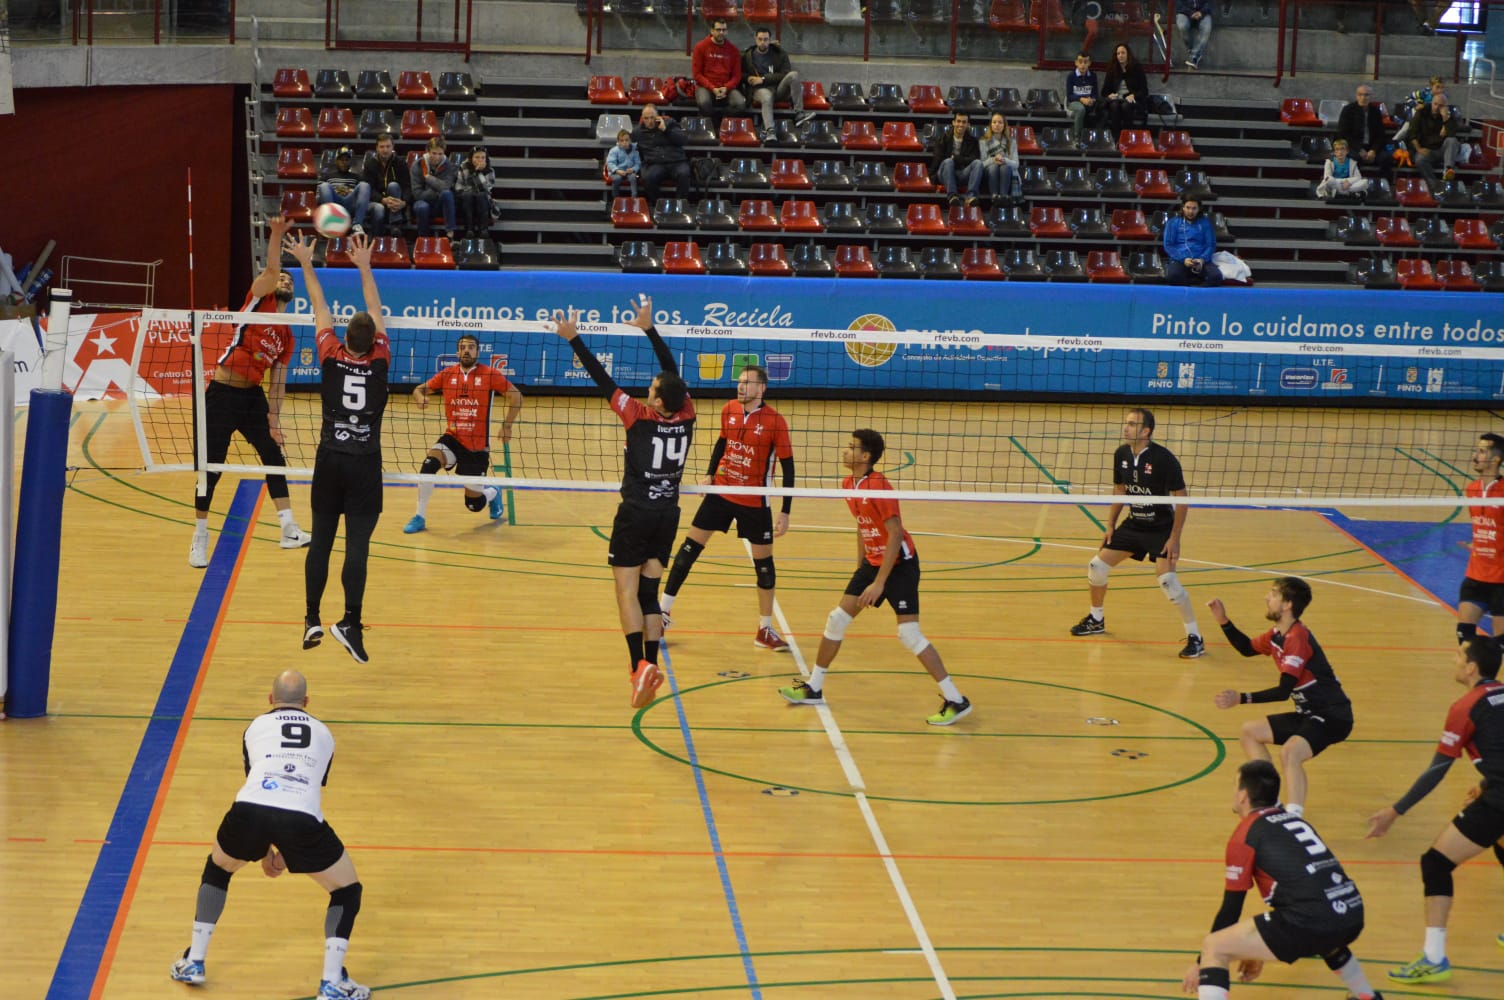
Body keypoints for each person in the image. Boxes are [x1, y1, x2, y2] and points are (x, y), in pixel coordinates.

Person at [168, 670, 371, 1000]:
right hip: (301, 817)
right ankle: (332, 982)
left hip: (249, 809)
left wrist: (264, 853)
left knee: (218, 869)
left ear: (270, 699)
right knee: (347, 891)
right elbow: (298, 796)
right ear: (307, 701)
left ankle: (194, 961)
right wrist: (284, 854)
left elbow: (264, 793)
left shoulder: (255, 726)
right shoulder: (324, 734)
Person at [549, 296, 694, 710]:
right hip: (667, 515)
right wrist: (650, 329)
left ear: (659, 402)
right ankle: (650, 665)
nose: (648, 390)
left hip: (635, 514)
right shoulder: (687, 414)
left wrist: (574, 339)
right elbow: (672, 374)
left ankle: (636, 667)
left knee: (625, 591)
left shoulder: (637, 415)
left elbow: (602, 379)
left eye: (652, 390)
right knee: (649, 593)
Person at [779, 429, 973, 727]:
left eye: (851, 447)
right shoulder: (848, 484)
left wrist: (879, 583)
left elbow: (894, 534)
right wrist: (860, 569)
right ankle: (814, 688)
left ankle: (956, 699)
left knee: (909, 634)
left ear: (865, 456)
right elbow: (862, 525)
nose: (845, 451)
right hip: (872, 563)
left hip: (900, 564)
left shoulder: (880, 486)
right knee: (836, 620)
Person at [1181, 760, 1383, 1000]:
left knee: (1214, 946)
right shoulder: (1294, 821)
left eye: (1235, 785)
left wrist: (1201, 964)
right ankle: (1367, 996)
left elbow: (1230, 910)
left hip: (1313, 919)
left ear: (1243, 796)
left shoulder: (1245, 835)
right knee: (1327, 936)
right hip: (1351, 912)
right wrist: (1255, 949)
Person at [1367, 636, 1504, 986]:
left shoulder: (1465, 707)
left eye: (1459, 655)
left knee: (1436, 863)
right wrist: (1487, 783)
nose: (1453, 659)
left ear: (1472, 668)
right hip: (1497, 792)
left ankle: (1433, 958)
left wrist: (1395, 811)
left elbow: (1437, 770)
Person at [283, 231, 391, 665]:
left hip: (329, 460)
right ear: (374, 339)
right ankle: (350, 622)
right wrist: (365, 265)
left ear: (345, 336)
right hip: (364, 465)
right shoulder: (380, 360)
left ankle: (311, 618)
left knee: (321, 543)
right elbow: (375, 308)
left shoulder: (329, 353)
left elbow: (319, 304)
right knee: (357, 548)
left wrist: (307, 262)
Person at [190, 212, 312, 569]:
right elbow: (272, 271)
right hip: (222, 394)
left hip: (252, 399)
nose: (284, 280)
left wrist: (274, 421)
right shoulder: (259, 302)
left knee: (274, 455)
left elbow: (279, 382)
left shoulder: (287, 334)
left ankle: (288, 528)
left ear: (294, 292)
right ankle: (200, 535)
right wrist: (275, 235)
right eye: (282, 277)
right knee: (210, 468)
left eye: (290, 279)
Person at [660, 363, 795, 650]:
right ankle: (662, 614)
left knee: (764, 567)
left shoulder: (776, 421)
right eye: (740, 381)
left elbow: (788, 467)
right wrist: (710, 474)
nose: (740, 386)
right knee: (687, 551)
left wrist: (785, 511)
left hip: (755, 500)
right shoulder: (729, 409)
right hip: (721, 491)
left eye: (747, 382)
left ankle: (764, 630)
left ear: (762, 388)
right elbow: (722, 443)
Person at [1206, 578, 1354, 816]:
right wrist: (1223, 620)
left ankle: (1294, 817)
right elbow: (1247, 648)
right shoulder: (1277, 634)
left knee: (1290, 752)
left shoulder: (1297, 638)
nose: (1267, 597)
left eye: (1274, 594)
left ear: (1287, 605)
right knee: (1249, 732)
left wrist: (1241, 698)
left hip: (1332, 715)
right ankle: (1268, 802)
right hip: (1308, 713)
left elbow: (1284, 690)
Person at [1069, 407, 1205, 658]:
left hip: (1161, 528)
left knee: (1168, 581)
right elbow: (1120, 489)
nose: (1126, 427)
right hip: (1134, 524)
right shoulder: (1121, 453)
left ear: (1145, 431)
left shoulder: (1164, 459)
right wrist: (1110, 525)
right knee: (1097, 566)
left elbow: (1182, 499)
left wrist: (1174, 538)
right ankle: (1096, 619)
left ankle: (1195, 637)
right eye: (1127, 423)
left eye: (1132, 424)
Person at [403, 334, 522, 534]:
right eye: (463, 347)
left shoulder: (489, 374)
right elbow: (418, 389)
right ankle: (419, 516)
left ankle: (493, 492)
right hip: (452, 439)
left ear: (478, 351)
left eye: (471, 347)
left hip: (476, 447)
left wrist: (507, 425)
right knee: (429, 465)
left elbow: (516, 396)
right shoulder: (447, 374)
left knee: (474, 505)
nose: (466, 350)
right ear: (458, 352)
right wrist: (419, 397)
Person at [1456, 433, 1504, 645]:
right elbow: (1481, 524)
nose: (1475, 456)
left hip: (1501, 580)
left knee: (1501, 644)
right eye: (1477, 450)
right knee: (1464, 636)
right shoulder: (1472, 489)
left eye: (1482, 452)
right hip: (1475, 576)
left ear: (1496, 459)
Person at [741, 27, 815, 143]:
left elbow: (785, 74)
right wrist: (748, 78)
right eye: (760, 39)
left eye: (765, 39)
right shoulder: (748, 55)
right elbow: (741, 74)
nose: (763, 42)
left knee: (794, 75)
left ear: (770, 40)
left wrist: (763, 79)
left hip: (778, 88)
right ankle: (770, 131)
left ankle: (799, 113)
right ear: (755, 39)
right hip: (758, 90)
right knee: (767, 96)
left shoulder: (780, 54)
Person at [633, 104, 693, 204]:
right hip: (655, 163)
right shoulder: (637, 132)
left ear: (658, 116)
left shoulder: (670, 123)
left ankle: (680, 205)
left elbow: (683, 140)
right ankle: (658, 204)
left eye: (652, 117)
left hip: (676, 161)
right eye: (646, 118)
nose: (649, 121)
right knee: (648, 178)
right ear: (642, 118)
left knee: (684, 173)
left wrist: (666, 130)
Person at [1336, 83, 1394, 182]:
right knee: (1354, 158)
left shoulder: (1375, 111)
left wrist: (1373, 150)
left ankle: (1383, 185)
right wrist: (1359, 149)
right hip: (1353, 146)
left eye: (1366, 95)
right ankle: (1353, 185)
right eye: (1360, 95)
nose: (1363, 97)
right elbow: (1343, 134)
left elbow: (1380, 135)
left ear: (1370, 97)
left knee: (1386, 158)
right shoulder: (1348, 110)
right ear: (1356, 96)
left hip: (1371, 146)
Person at [692, 19, 746, 123]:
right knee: (704, 103)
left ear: (727, 31)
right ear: (712, 31)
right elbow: (697, 74)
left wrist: (726, 87)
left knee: (740, 104)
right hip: (705, 87)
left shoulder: (733, 50)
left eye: (724, 30)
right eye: (718, 30)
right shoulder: (700, 47)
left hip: (726, 88)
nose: (721, 32)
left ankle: (721, 120)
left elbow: (737, 76)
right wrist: (712, 88)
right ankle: (715, 124)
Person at [1163, 194, 1222, 287]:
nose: (1190, 211)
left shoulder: (1205, 223)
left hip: (1201, 260)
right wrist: (1183, 259)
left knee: (1216, 276)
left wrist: (1202, 259)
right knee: (1172, 276)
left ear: (1199, 209)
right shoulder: (1173, 223)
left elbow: (1211, 245)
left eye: (1194, 208)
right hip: (1180, 260)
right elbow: (1169, 245)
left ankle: (1199, 291)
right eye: (1188, 208)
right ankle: (1188, 290)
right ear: (1183, 207)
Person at [361, 132, 410, 237]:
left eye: (388, 146)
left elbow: (407, 186)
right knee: (379, 209)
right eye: (382, 147)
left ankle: (395, 225)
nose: (385, 150)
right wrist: (382, 199)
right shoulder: (370, 164)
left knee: (393, 185)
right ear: (377, 148)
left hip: (397, 204)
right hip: (379, 202)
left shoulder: (400, 163)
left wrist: (404, 202)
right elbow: (368, 189)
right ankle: (376, 238)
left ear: (393, 147)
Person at [1409, 90, 1460, 190]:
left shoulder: (1449, 115)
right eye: (1435, 104)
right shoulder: (1422, 113)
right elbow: (1412, 133)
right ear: (1431, 103)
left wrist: (1445, 118)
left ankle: (1448, 171)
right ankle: (1434, 186)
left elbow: (1452, 134)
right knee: (1419, 159)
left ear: (1445, 106)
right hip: (1427, 149)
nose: (1436, 107)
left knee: (1452, 140)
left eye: (1440, 106)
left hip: (1443, 150)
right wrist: (1419, 149)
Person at [931, 111, 983, 207]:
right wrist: (956, 160)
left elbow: (973, 159)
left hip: (962, 173)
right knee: (948, 161)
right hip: (944, 173)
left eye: (964, 122)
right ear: (953, 122)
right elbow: (939, 159)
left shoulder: (973, 141)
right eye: (958, 121)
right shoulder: (942, 139)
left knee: (978, 163)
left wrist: (956, 158)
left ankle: (971, 197)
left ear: (968, 124)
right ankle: (952, 196)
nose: (961, 125)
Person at [315, 146, 370, 235]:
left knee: (364, 185)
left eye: (347, 160)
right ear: (336, 161)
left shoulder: (357, 177)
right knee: (324, 186)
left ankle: (357, 225)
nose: (344, 163)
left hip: (350, 204)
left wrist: (351, 192)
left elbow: (363, 197)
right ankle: (332, 222)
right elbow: (318, 198)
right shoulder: (327, 176)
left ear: (350, 162)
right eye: (341, 160)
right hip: (334, 204)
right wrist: (334, 192)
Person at [410, 135, 456, 239]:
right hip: (422, 201)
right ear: (427, 151)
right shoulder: (417, 165)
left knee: (447, 194)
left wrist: (429, 178)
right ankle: (423, 239)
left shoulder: (448, 166)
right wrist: (436, 191)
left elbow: (446, 187)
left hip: (440, 204)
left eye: (440, 154)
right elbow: (417, 194)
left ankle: (450, 234)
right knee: (422, 207)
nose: (437, 157)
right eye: (434, 153)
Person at [1102, 43, 1149, 135]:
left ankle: (1127, 135)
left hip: (1133, 100)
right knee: (1114, 106)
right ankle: (1116, 136)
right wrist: (1110, 95)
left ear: (1128, 54)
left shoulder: (1137, 68)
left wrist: (1134, 95)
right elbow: (1104, 92)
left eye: (1123, 53)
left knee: (1125, 106)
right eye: (1118, 53)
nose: (1120, 55)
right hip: (1117, 99)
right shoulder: (1112, 69)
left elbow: (1144, 91)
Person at [453, 145, 495, 238]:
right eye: (477, 157)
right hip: (466, 200)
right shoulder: (464, 167)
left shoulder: (490, 170)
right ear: (471, 158)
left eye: (483, 157)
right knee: (468, 195)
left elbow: (486, 189)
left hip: (482, 200)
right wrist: (474, 173)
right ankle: (469, 230)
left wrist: (479, 172)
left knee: (481, 195)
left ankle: (483, 230)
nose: (480, 160)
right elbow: (458, 187)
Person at [980, 112, 1021, 207]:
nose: (997, 125)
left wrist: (1004, 160)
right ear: (990, 125)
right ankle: (994, 197)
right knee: (993, 167)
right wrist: (993, 160)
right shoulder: (983, 141)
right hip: (988, 173)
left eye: (1000, 122)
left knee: (1005, 167)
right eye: (994, 122)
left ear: (1004, 125)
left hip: (1006, 171)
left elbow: (1016, 164)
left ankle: (1003, 197)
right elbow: (981, 164)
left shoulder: (1011, 142)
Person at [1064, 51, 1100, 145]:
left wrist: (1092, 100)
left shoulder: (1093, 76)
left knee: (1102, 110)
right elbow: (1070, 96)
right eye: (1080, 62)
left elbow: (1095, 94)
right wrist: (1081, 99)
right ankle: (1077, 138)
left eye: (1085, 62)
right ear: (1076, 63)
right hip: (1074, 102)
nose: (1083, 65)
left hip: (1088, 102)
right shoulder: (1071, 76)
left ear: (1089, 63)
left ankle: (1095, 138)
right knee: (1080, 109)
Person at [1176, 0, 1214, 70]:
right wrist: (1190, 13)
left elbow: (1210, 3)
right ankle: (1193, 52)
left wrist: (1201, 12)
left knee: (1206, 28)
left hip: (1203, 13)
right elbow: (1178, 4)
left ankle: (1194, 57)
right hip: (1184, 13)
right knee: (1182, 26)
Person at [605, 128, 641, 201]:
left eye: (626, 140)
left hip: (629, 172)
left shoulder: (635, 151)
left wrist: (633, 169)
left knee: (633, 178)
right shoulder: (614, 150)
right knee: (617, 179)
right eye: (621, 140)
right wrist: (617, 170)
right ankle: (615, 199)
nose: (624, 143)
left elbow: (638, 164)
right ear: (618, 141)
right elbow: (610, 163)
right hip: (616, 172)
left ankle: (634, 198)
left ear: (630, 140)